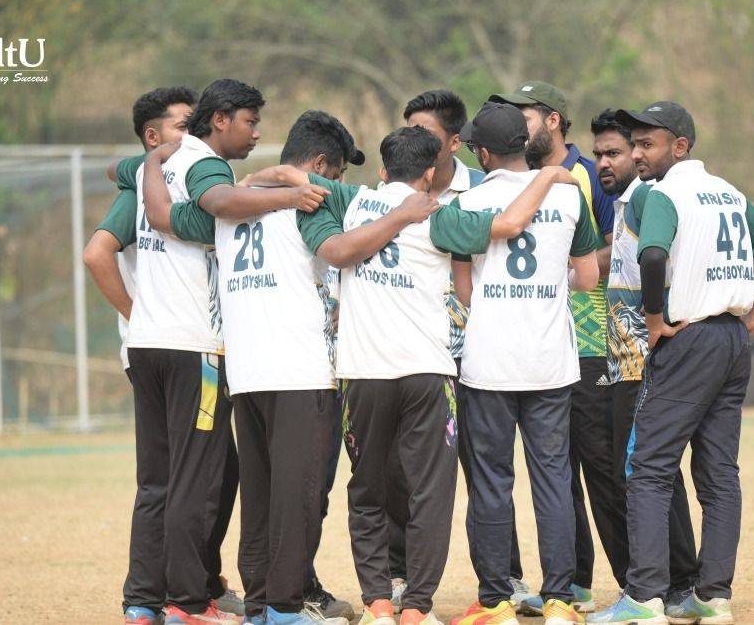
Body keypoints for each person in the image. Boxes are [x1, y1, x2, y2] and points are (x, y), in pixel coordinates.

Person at [255, 124, 575, 625]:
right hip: (428, 374)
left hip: (363, 373)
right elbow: (512, 223)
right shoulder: (439, 214)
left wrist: (253, 177)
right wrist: (549, 175)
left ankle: (379, 602)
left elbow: (288, 176)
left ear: (382, 170)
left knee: (367, 490)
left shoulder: (350, 200)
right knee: (431, 493)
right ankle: (418, 607)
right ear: (430, 173)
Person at [145, 109, 367, 624]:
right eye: (336, 173)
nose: (336, 184)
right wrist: (293, 182)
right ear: (319, 167)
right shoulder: (313, 202)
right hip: (300, 371)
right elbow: (381, 208)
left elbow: (164, 217)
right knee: (298, 497)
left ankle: (260, 605)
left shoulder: (227, 207)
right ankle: (286, 609)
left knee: (261, 497)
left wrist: (157, 163)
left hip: (246, 375)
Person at [607, 102, 754, 624]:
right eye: (635, 144)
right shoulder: (728, 193)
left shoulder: (665, 194)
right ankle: (713, 598)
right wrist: (753, 320)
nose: (638, 154)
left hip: (688, 339)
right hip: (732, 341)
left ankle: (644, 599)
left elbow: (652, 256)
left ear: (680, 146)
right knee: (719, 474)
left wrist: (652, 320)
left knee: (648, 468)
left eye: (648, 144)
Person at [85, 85, 244, 625]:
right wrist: (138, 312)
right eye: (183, 124)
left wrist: (142, 323)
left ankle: (143, 600)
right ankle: (189, 600)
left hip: (152, 347)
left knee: (166, 478)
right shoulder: (162, 182)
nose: (193, 132)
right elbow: (96, 254)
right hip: (188, 349)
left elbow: (117, 167)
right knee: (196, 475)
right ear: (154, 136)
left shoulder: (152, 174)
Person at [449, 102, 602, 625]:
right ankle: (559, 599)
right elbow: (587, 278)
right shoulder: (568, 194)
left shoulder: (468, 201)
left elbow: (464, 291)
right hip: (551, 361)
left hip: (489, 362)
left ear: (483, 153)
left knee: (492, 482)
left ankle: (495, 601)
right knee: (553, 478)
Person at [381, 90, 534, 610]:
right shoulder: (387, 195)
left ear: (455, 142)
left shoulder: (489, 189)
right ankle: (399, 575)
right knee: (402, 471)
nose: (415, 141)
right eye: (409, 131)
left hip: (478, 354)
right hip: (413, 356)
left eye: (425, 133)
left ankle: (506, 578)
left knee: (486, 471)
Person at [488, 80, 616, 615]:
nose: (519, 127)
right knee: (558, 474)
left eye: (526, 117)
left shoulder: (586, 175)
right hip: (549, 346)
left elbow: (612, 247)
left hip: (589, 339)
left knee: (598, 468)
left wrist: (557, 267)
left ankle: (636, 584)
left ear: (553, 120)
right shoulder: (514, 181)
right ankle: (573, 584)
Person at [584, 109, 700, 624]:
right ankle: (663, 584)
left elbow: (660, 268)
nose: (611, 161)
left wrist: (657, 327)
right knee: (636, 473)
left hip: (645, 360)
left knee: (650, 473)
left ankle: (678, 584)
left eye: (622, 151)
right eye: (604, 153)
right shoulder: (630, 200)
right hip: (623, 361)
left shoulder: (653, 198)